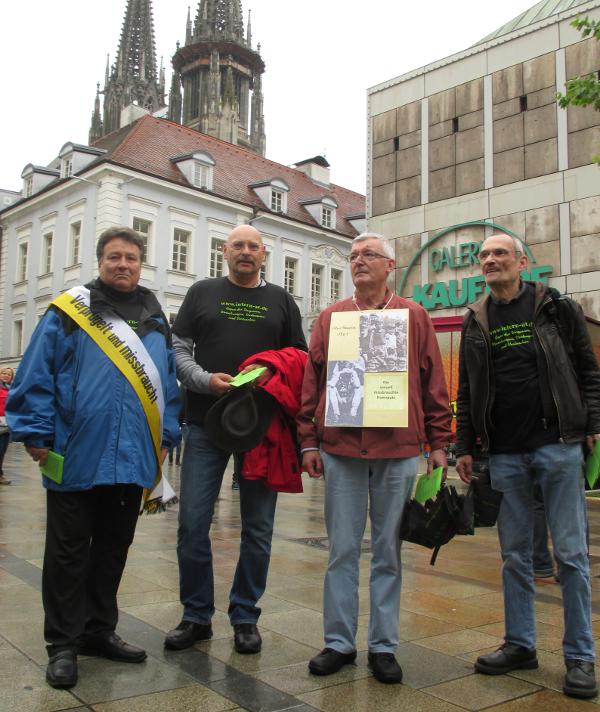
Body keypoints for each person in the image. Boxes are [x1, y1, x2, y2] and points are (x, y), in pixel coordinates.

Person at [6, 227, 181, 690]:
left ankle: (98, 630)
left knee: (111, 549)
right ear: (100, 261)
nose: (122, 264)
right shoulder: (69, 310)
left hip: (132, 456)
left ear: (141, 264)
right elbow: (36, 371)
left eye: (131, 258)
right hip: (74, 450)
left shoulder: (155, 316)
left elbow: (166, 382)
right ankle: (62, 644)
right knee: (66, 553)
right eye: (113, 257)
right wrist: (36, 432)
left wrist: (166, 433)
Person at [298, 232, 452, 684]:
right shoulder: (331, 317)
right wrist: (308, 441)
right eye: (353, 256)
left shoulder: (414, 315)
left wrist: (440, 443)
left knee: (388, 552)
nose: (358, 261)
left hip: (399, 450)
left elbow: (433, 383)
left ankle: (383, 647)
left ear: (391, 265)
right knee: (341, 551)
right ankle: (339, 642)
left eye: (369, 255)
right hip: (341, 451)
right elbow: (314, 383)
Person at [455, 232, 600, 700]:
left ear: (521, 262)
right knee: (514, 556)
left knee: (572, 557)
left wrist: (592, 425)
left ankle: (580, 656)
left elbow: (587, 369)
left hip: (558, 445)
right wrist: (464, 447)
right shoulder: (475, 319)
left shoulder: (555, 307)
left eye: (499, 254)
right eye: (484, 256)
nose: (490, 260)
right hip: (505, 453)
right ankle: (520, 644)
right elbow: (467, 390)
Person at [166, 223, 306, 655]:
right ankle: (196, 616)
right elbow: (178, 349)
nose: (245, 252)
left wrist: (270, 374)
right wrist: (206, 381)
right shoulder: (201, 293)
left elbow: (300, 359)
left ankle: (245, 615)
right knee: (192, 523)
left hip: (262, 432)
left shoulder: (282, 301)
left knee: (259, 529)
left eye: (254, 247)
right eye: (238, 246)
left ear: (265, 255)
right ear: (224, 251)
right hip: (205, 422)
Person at [0, 367, 14, 485]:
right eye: (4, 373)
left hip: (7, 425)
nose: (6, 375)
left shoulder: (11, 390)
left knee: (2, 451)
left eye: (8, 374)